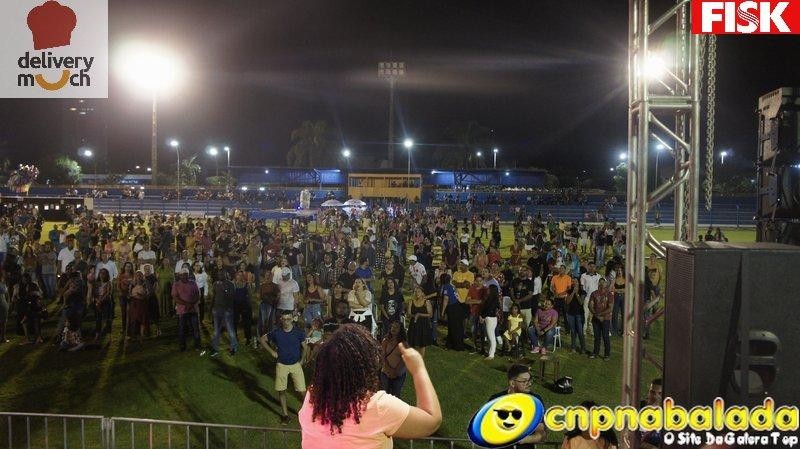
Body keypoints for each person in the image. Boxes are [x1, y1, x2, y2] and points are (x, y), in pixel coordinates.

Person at [299, 324, 442, 449]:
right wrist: (418, 369)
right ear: (364, 367)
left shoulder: (312, 399)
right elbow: (432, 420)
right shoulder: (377, 407)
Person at [260, 311, 308, 426]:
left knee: (302, 391)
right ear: (281, 320)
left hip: (295, 365)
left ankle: (307, 413)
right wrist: (272, 352)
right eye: (284, 319)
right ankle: (285, 415)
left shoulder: (298, 332)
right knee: (281, 391)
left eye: (288, 319)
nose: (286, 322)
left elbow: (305, 347)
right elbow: (262, 339)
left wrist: (302, 360)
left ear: (292, 319)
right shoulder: (277, 333)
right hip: (281, 365)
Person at [489, 364, 548, 448]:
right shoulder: (496, 400)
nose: (529, 384)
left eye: (530, 380)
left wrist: (523, 440)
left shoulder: (535, 401)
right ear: (512, 383)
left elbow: (541, 434)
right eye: (524, 381)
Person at [208, 269, 237, 356]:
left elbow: (232, 297)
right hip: (217, 310)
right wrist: (210, 309)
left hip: (227, 311)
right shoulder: (215, 284)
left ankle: (233, 348)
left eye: (222, 274)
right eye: (219, 274)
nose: (220, 275)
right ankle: (215, 348)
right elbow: (213, 297)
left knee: (230, 330)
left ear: (226, 274)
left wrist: (224, 289)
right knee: (216, 331)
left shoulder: (231, 284)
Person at [172, 267, 201, 352]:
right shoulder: (176, 285)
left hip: (193, 310)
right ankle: (182, 346)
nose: (185, 276)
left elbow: (198, 294)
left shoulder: (193, 283)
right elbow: (175, 297)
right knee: (182, 329)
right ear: (180, 275)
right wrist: (187, 304)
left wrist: (191, 304)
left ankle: (197, 345)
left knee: (195, 328)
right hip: (182, 311)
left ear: (188, 275)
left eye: (186, 275)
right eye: (183, 275)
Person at [380, 320, 407, 397]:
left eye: (396, 327)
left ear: (400, 330)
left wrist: (395, 371)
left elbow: (404, 359)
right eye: (392, 327)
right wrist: (388, 369)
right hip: (385, 372)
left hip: (399, 373)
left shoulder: (404, 344)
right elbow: (383, 355)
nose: (393, 329)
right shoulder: (385, 340)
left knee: (396, 394)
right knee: (385, 394)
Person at [588, 279, 613, 360]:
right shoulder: (594, 293)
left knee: (605, 336)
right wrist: (596, 315)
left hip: (605, 319)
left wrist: (601, 314)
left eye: (604, 283)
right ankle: (595, 352)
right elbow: (590, 305)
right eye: (601, 283)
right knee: (597, 336)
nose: (602, 284)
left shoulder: (609, 295)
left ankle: (607, 354)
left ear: (606, 285)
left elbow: (610, 308)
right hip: (596, 318)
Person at [440, 273, 465, 351]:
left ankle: (453, 345)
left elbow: (446, 299)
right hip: (458, 306)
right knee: (458, 326)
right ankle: (456, 344)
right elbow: (457, 295)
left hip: (452, 308)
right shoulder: (452, 285)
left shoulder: (446, 287)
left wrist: (442, 311)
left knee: (452, 327)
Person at [407, 286, 434, 358]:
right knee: (412, 342)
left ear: (422, 293)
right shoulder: (411, 302)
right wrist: (414, 315)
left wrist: (419, 314)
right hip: (414, 324)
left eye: (419, 291)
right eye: (415, 292)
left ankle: (421, 360)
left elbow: (430, 315)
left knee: (422, 343)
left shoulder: (426, 302)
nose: (417, 293)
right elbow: (408, 314)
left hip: (423, 324)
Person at [639, 378, 663, 449]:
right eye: (652, 392)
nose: (655, 396)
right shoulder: (638, 406)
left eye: (659, 393)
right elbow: (629, 438)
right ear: (648, 392)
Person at [564, 278, 586, 353]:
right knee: (573, 331)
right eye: (573, 281)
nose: (574, 283)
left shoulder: (583, 292)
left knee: (580, 331)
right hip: (571, 314)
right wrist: (573, 292)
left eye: (576, 281)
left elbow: (581, 302)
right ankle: (573, 347)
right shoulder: (569, 291)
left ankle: (583, 348)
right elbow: (567, 302)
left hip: (579, 314)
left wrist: (576, 293)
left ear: (579, 283)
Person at [480, 284, 501, 360]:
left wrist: (482, 316)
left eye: (489, 289)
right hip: (487, 318)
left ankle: (492, 354)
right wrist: (481, 316)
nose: (487, 290)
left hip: (491, 319)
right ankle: (489, 352)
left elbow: (489, 309)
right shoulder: (489, 298)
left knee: (491, 336)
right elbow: (485, 308)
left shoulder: (495, 299)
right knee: (488, 336)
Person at [0, 273, 8, 343]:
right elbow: (5, 292)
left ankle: (3, 337)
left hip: (3, 303)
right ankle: (3, 337)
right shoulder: (2, 285)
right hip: (2, 303)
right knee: (3, 322)